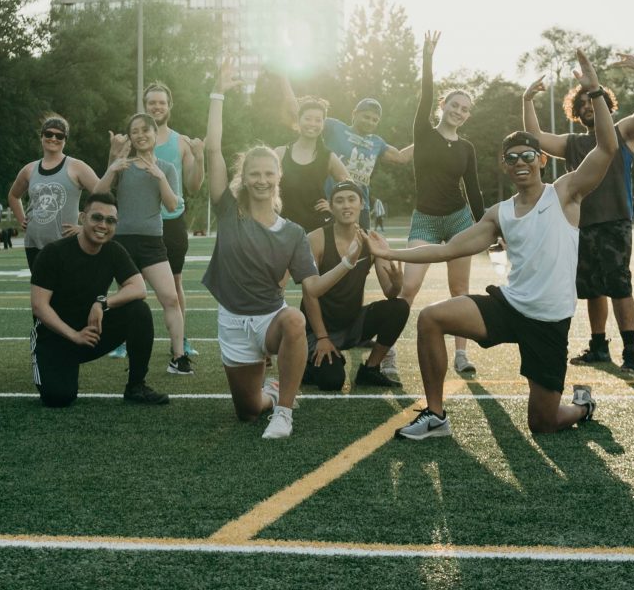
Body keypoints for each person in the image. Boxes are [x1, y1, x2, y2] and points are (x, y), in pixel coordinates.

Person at [372, 45, 626, 441]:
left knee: (543, 423)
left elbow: (607, 148)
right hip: (510, 307)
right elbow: (446, 249)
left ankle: (581, 406)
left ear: (542, 161)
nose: (521, 161)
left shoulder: (565, 192)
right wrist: (389, 251)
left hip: (549, 322)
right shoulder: (499, 214)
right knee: (431, 318)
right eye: (513, 157)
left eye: (529, 154)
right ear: (505, 166)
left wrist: (594, 91)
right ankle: (436, 416)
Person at [520, 53, 634, 369]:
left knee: (619, 286)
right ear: (575, 111)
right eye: (580, 103)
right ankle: (599, 347)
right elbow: (536, 139)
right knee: (591, 289)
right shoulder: (572, 143)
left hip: (615, 223)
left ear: (604, 103)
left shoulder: (622, 133)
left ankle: (631, 352)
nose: (586, 105)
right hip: (580, 226)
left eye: (591, 100)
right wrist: (526, 100)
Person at [198, 62, 314, 440]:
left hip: (270, 319)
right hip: (233, 322)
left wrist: (348, 261)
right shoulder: (229, 211)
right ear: (243, 178)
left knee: (295, 320)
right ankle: (269, 394)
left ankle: (285, 412)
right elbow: (212, 149)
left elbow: (311, 287)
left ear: (278, 177)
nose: (261, 180)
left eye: (268, 174)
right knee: (247, 412)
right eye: (254, 174)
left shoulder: (293, 232)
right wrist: (218, 93)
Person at [30, 187, 170, 408]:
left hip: (92, 332)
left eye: (110, 220)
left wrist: (102, 303)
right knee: (58, 397)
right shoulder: (54, 253)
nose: (103, 225)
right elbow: (39, 306)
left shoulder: (113, 251)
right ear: (83, 218)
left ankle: (136, 385)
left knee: (138, 311)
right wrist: (74, 335)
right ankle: (62, 369)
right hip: (56, 337)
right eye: (97, 217)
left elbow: (139, 288)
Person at [401, 31, 486, 376]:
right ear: (443, 107)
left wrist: (485, 226)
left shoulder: (466, 149)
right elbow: (425, 93)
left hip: (458, 221)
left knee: (459, 289)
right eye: (455, 105)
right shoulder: (423, 134)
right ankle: (387, 349)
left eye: (465, 109)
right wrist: (427, 57)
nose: (459, 112)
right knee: (409, 287)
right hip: (425, 220)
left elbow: (475, 191)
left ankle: (462, 355)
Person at [99, 111, 191, 374]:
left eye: (145, 130)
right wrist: (112, 167)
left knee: (170, 298)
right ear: (130, 137)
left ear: (154, 134)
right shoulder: (123, 166)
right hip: (122, 243)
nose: (140, 135)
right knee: (130, 301)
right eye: (134, 131)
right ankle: (129, 352)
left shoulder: (167, 168)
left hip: (152, 243)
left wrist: (159, 176)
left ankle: (179, 357)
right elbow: (99, 193)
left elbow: (172, 205)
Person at [303, 183, 410, 391]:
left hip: (352, 324)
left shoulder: (373, 240)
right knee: (331, 382)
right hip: (317, 330)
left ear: (362, 204)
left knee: (399, 307)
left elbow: (390, 293)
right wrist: (322, 338)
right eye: (339, 200)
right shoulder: (315, 239)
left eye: (352, 199)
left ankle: (370, 368)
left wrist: (397, 284)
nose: (346, 205)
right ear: (331, 207)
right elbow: (309, 294)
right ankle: (307, 365)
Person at [272, 71, 413, 229]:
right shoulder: (335, 127)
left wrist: (431, 135)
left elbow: (401, 157)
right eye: (366, 116)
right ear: (354, 114)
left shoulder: (377, 143)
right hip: (329, 204)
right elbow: (301, 114)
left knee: (359, 249)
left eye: (375, 120)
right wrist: (284, 78)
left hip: (360, 207)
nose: (370, 122)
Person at [144, 79, 205, 373]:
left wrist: (200, 157)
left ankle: (179, 340)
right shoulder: (136, 139)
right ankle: (120, 338)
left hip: (172, 222)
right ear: (145, 107)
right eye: (151, 102)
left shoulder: (181, 142)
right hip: (141, 221)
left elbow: (193, 186)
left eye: (161, 102)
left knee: (176, 283)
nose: (157, 107)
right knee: (129, 280)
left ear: (169, 107)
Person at [8, 114, 100, 260]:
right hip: (33, 245)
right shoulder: (29, 169)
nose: (53, 138)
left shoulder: (77, 167)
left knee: (66, 283)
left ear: (65, 140)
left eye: (59, 136)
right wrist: (21, 220)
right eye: (49, 134)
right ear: (41, 136)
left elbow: (103, 196)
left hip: (66, 245)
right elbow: (13, 196)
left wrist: (86, 228)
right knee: (38, 284)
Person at [277, 97, 352, 229]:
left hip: (318, 229)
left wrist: (333, 205)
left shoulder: (328, 157)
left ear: (323, 124)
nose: (313, 124)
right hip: (284, 228)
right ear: (299, 121)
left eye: (318, 120)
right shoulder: (280, 153)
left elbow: (351, 187)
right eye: (308, 118)